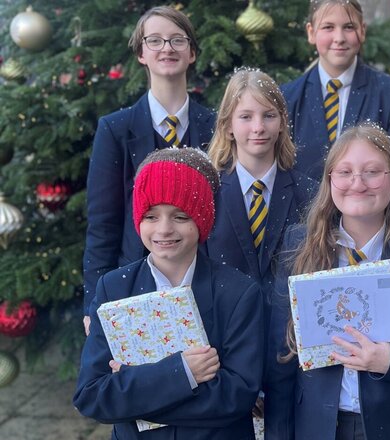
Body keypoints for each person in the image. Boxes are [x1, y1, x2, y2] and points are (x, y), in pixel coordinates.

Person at [264, 124, 390, 439]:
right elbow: (280, 355)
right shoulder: (299, 248)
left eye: (372, 172)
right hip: (317, 426)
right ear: (330, 182)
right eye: (345, 172)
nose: (358, 183)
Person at [74, 148, 263, 439]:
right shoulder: (114, 288)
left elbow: (236, 397)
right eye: (151, 216)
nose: (164, 229)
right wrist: (183, 373)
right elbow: (92, 395)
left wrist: (132, 392)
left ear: (201, 219)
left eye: (180, 216)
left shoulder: (238, 293)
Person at [82, 6, 215, 335]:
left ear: (192, 53)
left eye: (177, 40)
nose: (167, 48)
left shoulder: (215, 127)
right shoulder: (115, 130)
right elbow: (103, 223)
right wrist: (93, 304)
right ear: (141, 53)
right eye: (154, 40)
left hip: (207, 283)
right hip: (137, 285)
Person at [205, 68, 316, 318]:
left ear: (282, 123)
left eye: (268, 115)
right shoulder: (209, 192)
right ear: (228, 126)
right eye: (245, 116)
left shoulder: (309, 193)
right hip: (225, 332)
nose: (258, 127)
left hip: (288, 336)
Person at [281, 0, 390, 181]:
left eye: (349, 27)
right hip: (304, 208)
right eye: (328, 27)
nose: (339, 38)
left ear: (362, 31)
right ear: (311, 32)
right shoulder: (289, 97)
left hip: (370, 206)